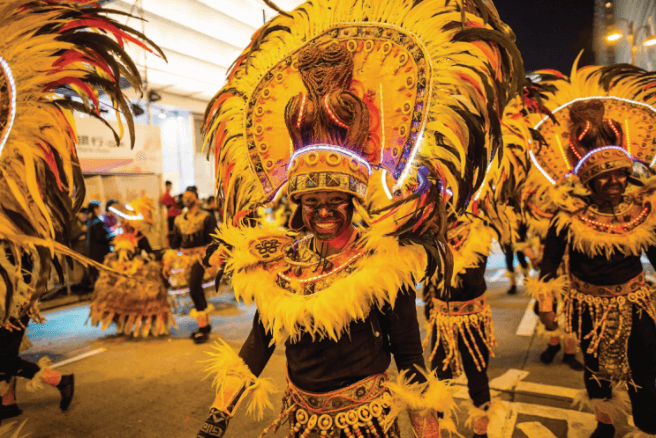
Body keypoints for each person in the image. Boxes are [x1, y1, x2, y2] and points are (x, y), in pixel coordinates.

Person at [196, 0, 522, 434]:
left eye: (335, 200)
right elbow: (260, 341)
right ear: (298, 206)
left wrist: (427, 430)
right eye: (312, 203)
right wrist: (219, 415)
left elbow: (408, 356)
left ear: (353, 202)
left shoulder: (384, 264)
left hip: (368, 423)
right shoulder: (278, 264)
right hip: (303, 423)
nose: (324, 211)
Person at [531, 89, 656, 437]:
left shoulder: (642, 210)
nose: (615, 182)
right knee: (596, 368)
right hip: (588, 307)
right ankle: (605, 423)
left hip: (636, 305)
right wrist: (545, 304)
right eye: (605, 176)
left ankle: (648, 426)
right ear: (588, 180)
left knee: (645, 368)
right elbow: (549, 264)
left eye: (620, 173)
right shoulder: (569, 216)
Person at [424, 215, 501, 438]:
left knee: (476, 373)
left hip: (472, 318)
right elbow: (428, 277)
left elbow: (474, 278)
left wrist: (442, 246)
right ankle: (440, 427)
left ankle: (481, 430)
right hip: (441, 318)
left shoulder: (477, 233)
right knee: (439, 376)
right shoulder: (431, 235)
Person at [89, 198, 176, 337]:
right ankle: (122, 324)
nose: (123, 223)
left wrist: (143, 261)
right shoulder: (119, 237)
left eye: (125, 221)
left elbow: (150, 253)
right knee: (115, 297)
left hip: (134, 272)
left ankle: (142, 324)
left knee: (141, 301)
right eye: (122, 221)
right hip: (119, 272)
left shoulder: (139, 237)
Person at [163, 186, 217, 344]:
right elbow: (175, 245)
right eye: (185, 197)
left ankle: (203, 327)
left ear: (197, 199)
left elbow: (214, 241)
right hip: (185, 259)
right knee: (195, 290)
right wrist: (167, 264)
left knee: (194, 287)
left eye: (190, 197)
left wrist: (213, 261)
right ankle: (204, 325)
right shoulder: (179, 220)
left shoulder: (207, 217)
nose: (186, 199)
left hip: (201, 257)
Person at [86, 201, 114, 287]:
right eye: (99, 208)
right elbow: (100, 237)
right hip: (99, 253)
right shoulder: (97, 222)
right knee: (102, 278)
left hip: (94, 253)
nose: (100, 210)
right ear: (95, 209)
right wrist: (112, 236)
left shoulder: (90, 221)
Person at [160, 180, 180, 244]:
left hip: (173, 214)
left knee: (173, 230)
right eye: (169, 186)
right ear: (166, 186)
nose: (170, 187)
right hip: (172, 215)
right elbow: (164, 202)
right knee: (172, 231)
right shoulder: (166, 195)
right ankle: (172, 244)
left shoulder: (168, 194)